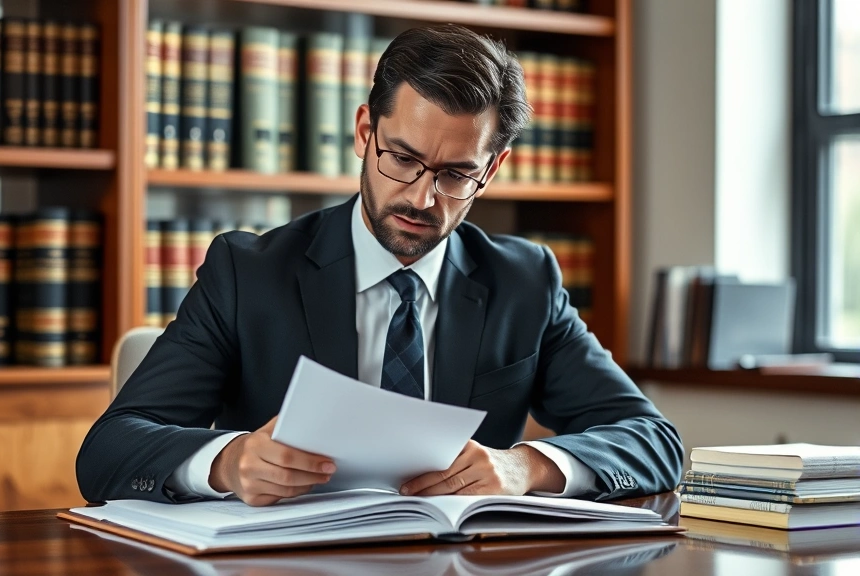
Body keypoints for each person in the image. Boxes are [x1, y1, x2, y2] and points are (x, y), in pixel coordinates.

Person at [76, 24, 683, 506]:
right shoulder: (248, 273)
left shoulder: (524, 282)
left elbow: (655, 441)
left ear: (490, 171)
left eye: (455, 174)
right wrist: (227, 461)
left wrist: (526, 464)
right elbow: (108, 450)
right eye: (403, 159)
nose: (423, 198)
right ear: (366, 132)